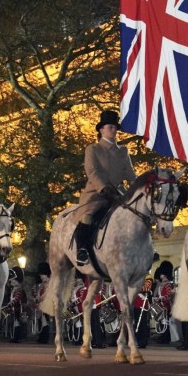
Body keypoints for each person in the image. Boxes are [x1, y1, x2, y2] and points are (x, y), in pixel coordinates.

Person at [73, 110, 137, 266]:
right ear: (101, 130)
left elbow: (130, 173)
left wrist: (137, 188)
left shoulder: (123, 151)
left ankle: (143, 246)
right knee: (88, 215)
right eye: (110, 127)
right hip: (96, 193)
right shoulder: (93, 149)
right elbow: (92, 171)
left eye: (115, 127)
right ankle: (82, 249)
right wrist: (103, 188)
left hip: (118, 193)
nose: (114, 130)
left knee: (137, 212)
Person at [154, 261, 175, 345]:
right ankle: (163, 337)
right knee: (161, 322)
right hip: (161, 305)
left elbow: (168, 295)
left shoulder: (167, 284)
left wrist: (162, 298)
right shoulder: (162, 284)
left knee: (165, 322)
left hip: (165, 305)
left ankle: (166, 338)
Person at [4, 266, 26, 343]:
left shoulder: (18, 288)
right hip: (15, 308)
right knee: (15, 323)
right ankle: (16, 337)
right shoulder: (15, 288)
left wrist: (10, 304)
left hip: (18, 308)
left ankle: (17, 337)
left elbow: (17, 298)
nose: (11, 281)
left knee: (17, 323)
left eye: (13, 280)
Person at [133, 273, 155, 349]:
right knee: (135, 324)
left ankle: (142, 342)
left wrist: (134, 287)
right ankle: (137, 340)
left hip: (141, 303)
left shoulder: (147, 277)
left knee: (141, 324)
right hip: (134, 302)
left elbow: (146, 288)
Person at [35, 262, 52, 344]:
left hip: (47, 304)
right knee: (42, 321)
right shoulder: (42, 284)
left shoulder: (50, 284)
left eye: (42, 275)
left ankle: (45, 336)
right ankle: (42, 335)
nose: (41, 277)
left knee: (45, 321)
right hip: (41, 304)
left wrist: (42, 298)